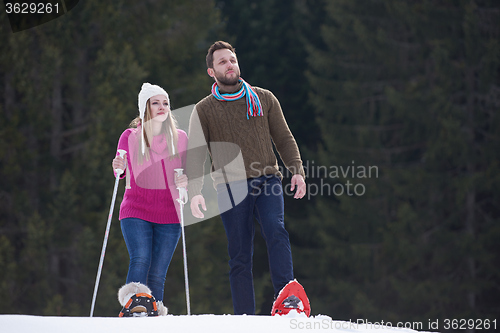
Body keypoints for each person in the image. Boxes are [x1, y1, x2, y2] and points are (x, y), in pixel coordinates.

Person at [186, 41, 308, 316]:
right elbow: (195, 155)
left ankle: (287, 300)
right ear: (211, 71)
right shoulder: (204, 110)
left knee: (275, 230)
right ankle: (245, 319)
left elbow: (284, 138)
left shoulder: (264, 98)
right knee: (240, 255)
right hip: (230, 187)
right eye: (222, 62)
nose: (229, 65)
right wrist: (194, 191)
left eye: (232, 59)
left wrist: (297, 171)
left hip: (268, 179)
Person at [112, 83, 188, 315]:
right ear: (145, 108)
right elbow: (120, 170)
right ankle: (135, 307)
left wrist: (185, 180)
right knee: (141, 258)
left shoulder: (180, 138)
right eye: (155, 103)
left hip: (169, 213)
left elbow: (186, 174)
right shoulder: (130, 136)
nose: (162, 107)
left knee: (157, 273)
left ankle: (153, 314)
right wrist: (118, 166)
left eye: (165, 103)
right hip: (136, 208)